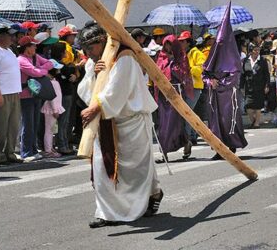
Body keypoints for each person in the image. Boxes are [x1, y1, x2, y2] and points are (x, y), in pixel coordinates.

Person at [77, 21, 162, 228]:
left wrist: (96, 107)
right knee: (100, 168)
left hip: (131, 122)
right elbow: (84, 90)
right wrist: (93, 75)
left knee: (136, 171)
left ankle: (152, 195)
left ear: (102, 41)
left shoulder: (125, 58)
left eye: (90, 48)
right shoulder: (92, 62)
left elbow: (119, 91)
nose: (88, 53)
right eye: (85, 49)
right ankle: (106, 212)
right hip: (106, 122)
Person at [203, 3, 247, 159]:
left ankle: (232, 145)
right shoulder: (212, 55)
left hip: (228, 95)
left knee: (229, 120)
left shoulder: (233, 57)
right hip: (214, 96)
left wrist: (219, 83)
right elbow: (205, 73)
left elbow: (234, 77)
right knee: (216, 121)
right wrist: (210, 82)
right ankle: (218, 148)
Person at [0, 26, 23, 165]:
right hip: (2, 94)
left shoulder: (10, 51)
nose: (12, 38)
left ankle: (10, 153)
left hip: (14, 92)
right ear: (1, 37)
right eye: (9, 35)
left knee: (13, 126)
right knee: (1, 127)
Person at [154, 35, 193, 162]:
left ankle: (183, 143)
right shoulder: (160, 57)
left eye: (170, 45)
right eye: (166, 45)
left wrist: (172, 63)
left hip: (176, 93)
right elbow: (156, 72)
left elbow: (184, 74)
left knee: (174, 123)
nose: (167, 48)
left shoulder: (181, 57)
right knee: (163, 124)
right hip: (162, 94)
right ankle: (164, 152)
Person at [242, 43, 270, 128]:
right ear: (251, 51)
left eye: (258, 50)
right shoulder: (246, 60)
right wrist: (241, 86)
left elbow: (266, 74)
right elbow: (243, 74)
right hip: (249, 86)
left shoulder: (262, 60)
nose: (257, 52)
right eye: (255, 50)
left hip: (259, 86)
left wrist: (267, 85)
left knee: (258, 106)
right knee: (248, 106)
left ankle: (256, 123)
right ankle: (253, 120)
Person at [40, 61, 65, 158]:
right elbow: (52, 97)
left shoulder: (52, 81)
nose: (59, 70)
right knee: (49, 130)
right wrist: (55, 110)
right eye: (57, 69)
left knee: (52, 129)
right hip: (52, 110)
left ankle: (50, 147)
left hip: (53, 109)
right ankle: (48, 150)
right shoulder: (52, 83)